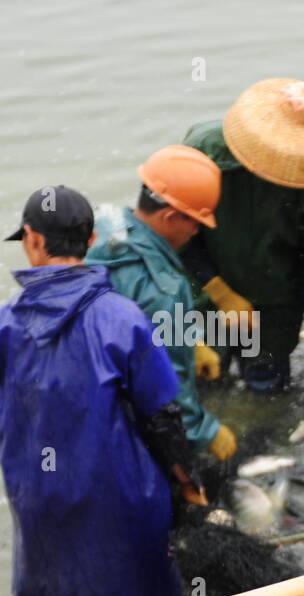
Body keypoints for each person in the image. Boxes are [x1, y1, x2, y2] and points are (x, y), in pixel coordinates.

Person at [0, 186, 204, 596]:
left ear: (32, 239)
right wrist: (190, 485)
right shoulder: (122, 317)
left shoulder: (6, 322)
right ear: (92, 242)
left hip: (37, 500)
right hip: (119, 504)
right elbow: (163, 417)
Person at [182, 78, 304, 391]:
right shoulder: (203, 152)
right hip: (205, 293)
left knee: (267, 385)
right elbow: (176, 235)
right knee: (205, 380)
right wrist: (220, 293)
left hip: (274, 303)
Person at [87, 145, 237, 462]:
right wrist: (205, 430)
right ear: (170, 216)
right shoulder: (162, 288)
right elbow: (170, 382)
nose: (196, 232)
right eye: (195, 223)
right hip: (124, 422)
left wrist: (191, 340)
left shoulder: (102, 225)